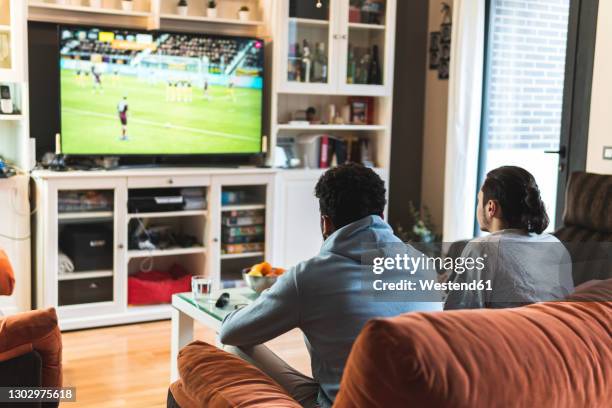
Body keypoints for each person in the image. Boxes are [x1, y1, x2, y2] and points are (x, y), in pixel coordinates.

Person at [220, 163, 442, 408]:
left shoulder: (309, 276)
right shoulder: (422, 263)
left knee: (236, 347)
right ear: (380, 215)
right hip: (425, 401)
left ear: (326, 222)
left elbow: (230, 332)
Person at [444, 166, 573, 310]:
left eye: (479, 200)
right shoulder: (555, 244)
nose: (478, 206)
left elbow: (457, 314)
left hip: (503, 331)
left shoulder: (482, 249)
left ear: (491, 207)